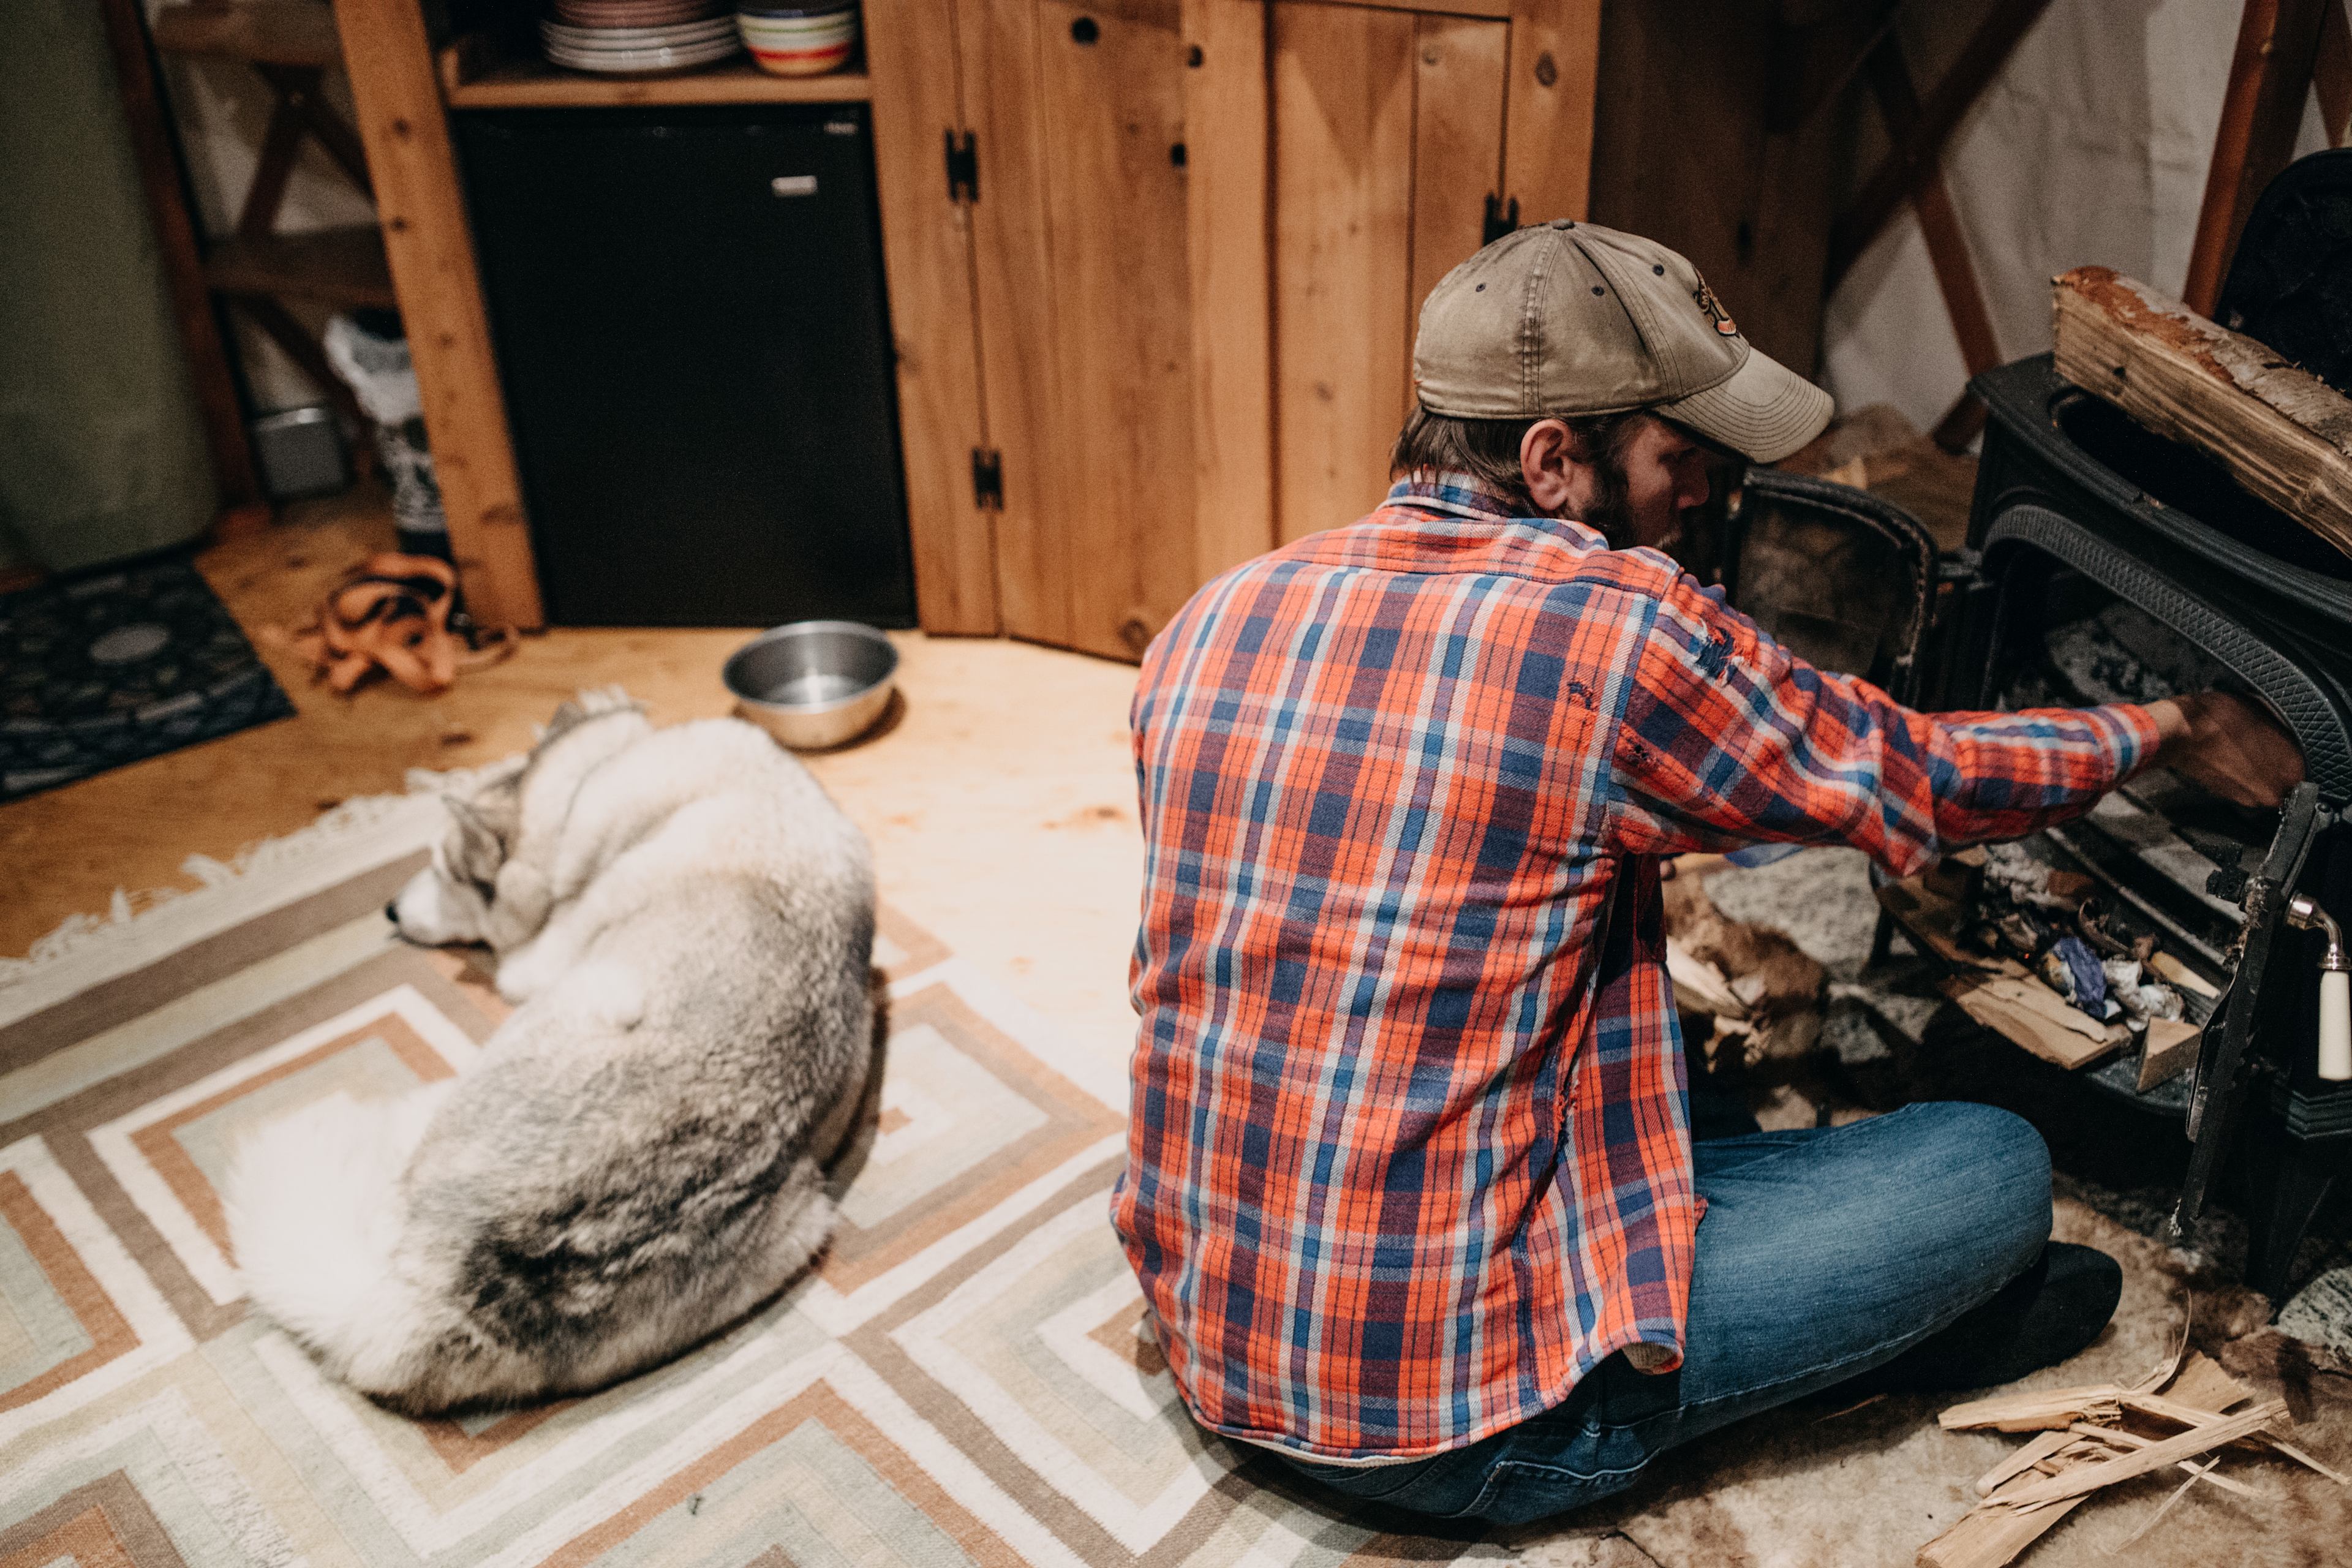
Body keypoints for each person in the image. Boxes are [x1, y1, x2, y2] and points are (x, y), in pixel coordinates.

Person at [1112, 220, 2304, 1525]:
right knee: (1991, 1169)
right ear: (1553, 461)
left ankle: (1837, 1316)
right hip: (1452, 1419)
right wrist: (2173, 725)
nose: (1702, 498)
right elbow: (1915, 776)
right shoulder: (1613, 626)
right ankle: (1826, 1353)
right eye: (1678, 461)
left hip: (1211, 1336)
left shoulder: (1213, 614)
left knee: (1681, 1083)